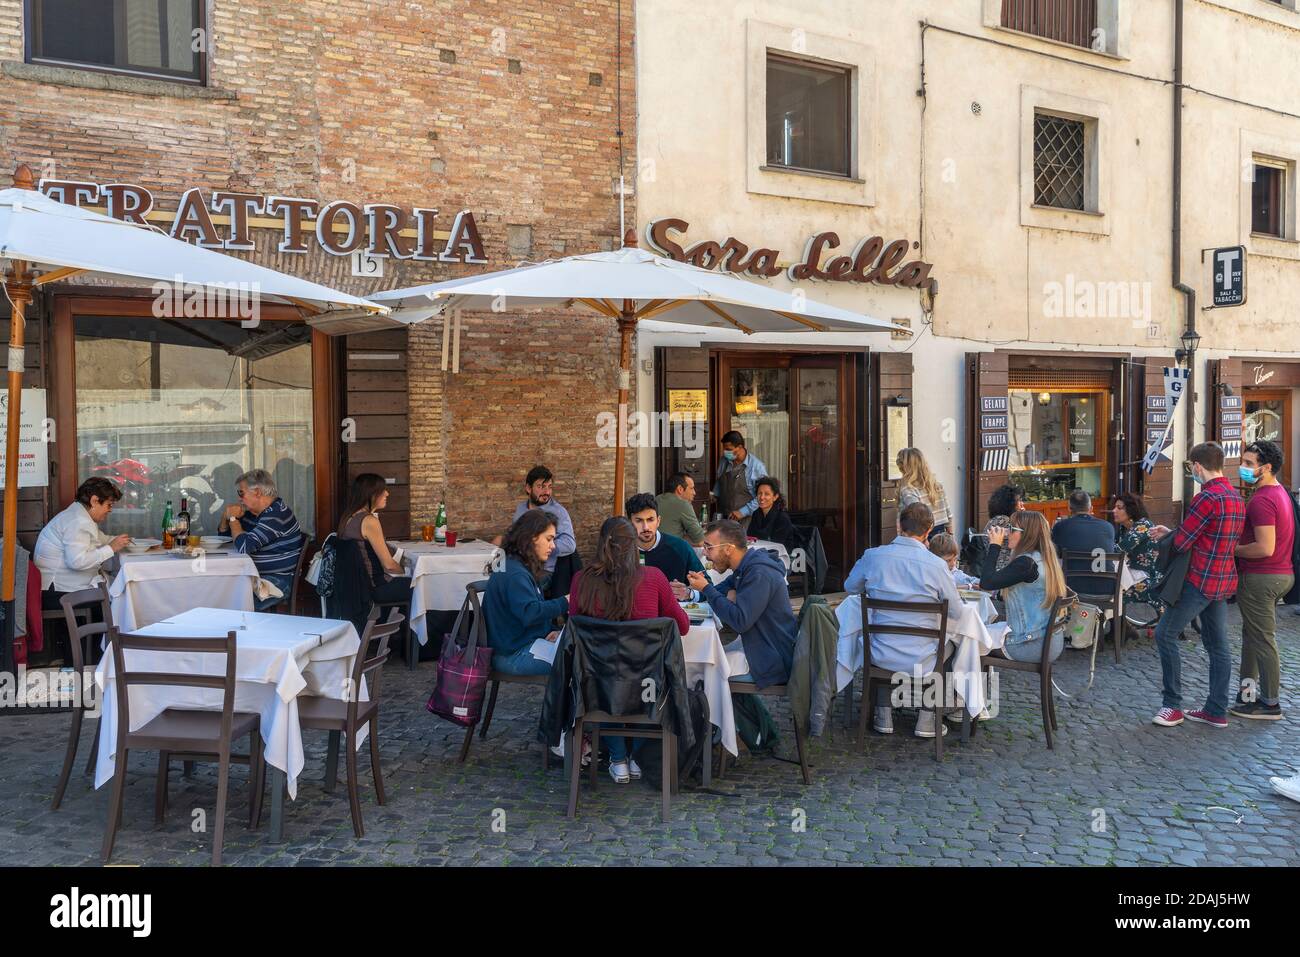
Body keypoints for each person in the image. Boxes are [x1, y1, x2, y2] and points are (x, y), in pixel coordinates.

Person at [569, 517, 691, 784]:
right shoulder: (654, 578)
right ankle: (635, 756)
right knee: (637, 676)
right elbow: (681, 626)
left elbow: (573, 626)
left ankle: (618, 759)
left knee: (614, 680)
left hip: (596, 685)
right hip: (647, 685)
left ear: (602, 544)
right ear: (634, 546)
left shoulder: (581, 581)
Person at [1147, 442, 1245, 729]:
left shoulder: (1206, 498)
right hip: (1223, 579)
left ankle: (1172, 705)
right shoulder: (1235, 497)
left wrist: (1168, 536)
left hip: (1199, 579)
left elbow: (1182, 542)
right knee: (1218, 645)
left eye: (1192, 468)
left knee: (1165, 634)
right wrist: (1175, 531)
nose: (1193, 472)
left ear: (1197, 466)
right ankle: (1216, 710)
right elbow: (1206, 534)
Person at [843, 503, 963, 737]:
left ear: (899, 526)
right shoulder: (937, 566)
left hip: (880, 653)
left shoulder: (873, 556)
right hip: (923, 656)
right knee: (952, 645)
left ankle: (883, 713)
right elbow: (956, 612)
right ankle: (927, 718)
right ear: (928, 531)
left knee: (883, 640)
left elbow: (850, 587)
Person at [686, 519, 795, 687]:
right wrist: (690, 592)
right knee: (700, 662)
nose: (705, 554)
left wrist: (707, 588)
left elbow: (739, 621)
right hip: (755, 648)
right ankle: (750, 715)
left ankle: (712, 714)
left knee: (699, 671)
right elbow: (721, 589)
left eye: (709, 547)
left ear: (729, 549)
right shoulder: (746, 566)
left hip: (769, 659)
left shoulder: (759, 573)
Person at [33, 478, 131, 661]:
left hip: (60, 586)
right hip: (56, 591)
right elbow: (77, 562)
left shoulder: (79, 515)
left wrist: (120, 542)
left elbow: (100, 540)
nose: (110, 510)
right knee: (110, 601)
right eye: (109, 505)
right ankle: (92, 661)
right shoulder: (77, 521)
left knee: (108, 595)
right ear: (94, 501)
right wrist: (112, 548)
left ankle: (95, 659)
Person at [1230, 440, 1292, 721]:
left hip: (1262, 576)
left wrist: (1233, 550)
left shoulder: (1263, 500)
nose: (1242, 468)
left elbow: (1264, 547)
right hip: (1277, 574)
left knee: (1262, 639)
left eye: (1248, 464)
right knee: (1252, 637)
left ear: (1266, 468)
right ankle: (1247, 695)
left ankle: (1269, 703)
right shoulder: (1279, 493)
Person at [482, 509, 569, 676]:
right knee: (579, 663)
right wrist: (565, 601)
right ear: (531, 538)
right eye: (549, 539)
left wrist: (550, 631)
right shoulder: (516, 573)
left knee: (578, 657)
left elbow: (526, 611)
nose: (553, 546)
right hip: (511, 655)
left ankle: (566, 702)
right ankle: (566, 703)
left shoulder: (516, 565)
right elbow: (530, 612)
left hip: (518, 646)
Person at [980, 510, 1067, 663]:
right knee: (981, 631)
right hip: (1049, 640)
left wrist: (995, 545)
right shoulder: (1042, 558)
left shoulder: (1026, 563)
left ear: (1027, 535)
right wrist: (994, 593)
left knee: (967, 640)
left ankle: (963, 686)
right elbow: (1024, 593)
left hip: (1029, 645)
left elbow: (987, 582)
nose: (1007, 533)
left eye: (1012, 529)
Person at [220, 469, 305, 611]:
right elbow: (229, 537)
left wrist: (233, 519)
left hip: (275, 581)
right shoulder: (254, 514)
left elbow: (244, 546)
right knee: (219, 592)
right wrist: (226, 516)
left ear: (258, 492)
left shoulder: (277, 515)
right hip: (254, 576)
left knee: (229, 602)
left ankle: (239, 632)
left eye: (241, 493)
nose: (239, 498)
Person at [338, 473, 412, 609]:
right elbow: (389, 565)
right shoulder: (369, 521)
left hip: (355, 587)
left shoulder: (347, 517)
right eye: (382, 491)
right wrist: (409, 572)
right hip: (374, 587)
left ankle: (403, 627)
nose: (387, 494)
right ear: (371, 495)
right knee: (420, 587)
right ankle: (428, 629)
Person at [625, 493, 704, 598]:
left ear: (658, 521)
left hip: (672, 613)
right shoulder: (620, 551)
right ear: (629, 523)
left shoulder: (680, 548)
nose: (646, 527)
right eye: (639, 521)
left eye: (650, 520)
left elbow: (708, 587)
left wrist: (689, 593)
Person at [506, 465, 576, 579]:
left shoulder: (559, 512)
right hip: (520, 565)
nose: (547, 492)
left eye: (549, 487)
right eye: (541, 487)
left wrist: (540, 545)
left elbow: (569, 544)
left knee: (514, 583)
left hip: (544, 570)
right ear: (528, 488)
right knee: (497, 576)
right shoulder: (521, 509)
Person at [1050, 489, 1117, 593]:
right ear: (1091, 508)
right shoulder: (1108, 527)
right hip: (1106, 588)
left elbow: (1055, 554)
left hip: (1071, 589)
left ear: (1069, 508)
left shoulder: (1060, 527)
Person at [1111, 492, 1166, 610]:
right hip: (1135, 572)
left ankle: (1118, 626)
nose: (1114, 510)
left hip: (1150, 577)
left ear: (1131, 510)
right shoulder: (1124, 527)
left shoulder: (1143, 526)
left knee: (1113, 592)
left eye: (1119, 508)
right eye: (1114, 507)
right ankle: (1120, 625)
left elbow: (1118, 550)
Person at [711, 430, 767, 527]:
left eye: (729, 449)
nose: (725, 453)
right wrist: (714, 495)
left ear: (740, 447)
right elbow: (720, 481)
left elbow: (763, 497)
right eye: (724, 449)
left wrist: (743, 512)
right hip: (724, 517)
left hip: (747, 520)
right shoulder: (723, 461)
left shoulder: (757, 467)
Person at [896, 448, 951, 539]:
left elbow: (917, 515)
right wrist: (950, 536)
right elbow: (949, 514)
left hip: (920, 535)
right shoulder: (936, 485)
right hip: (941, 533)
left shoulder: (908, 490)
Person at [747, 476, 798, 551]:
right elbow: (750, 538)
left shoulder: (782, 518)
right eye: (759, 493)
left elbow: (776, 546)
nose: (762, 497)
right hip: (759, 553)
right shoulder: (756, 514)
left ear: (775, 497)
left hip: (780, 556)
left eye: (766, 494)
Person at [655, 472, 705, 545]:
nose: (694, 493)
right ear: (680, 489)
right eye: (691, 488)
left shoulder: (656, 499)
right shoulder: (683, 505)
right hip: (671, 551)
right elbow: (700, 541)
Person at [984, 483, 1026, 570]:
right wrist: (1023, 517)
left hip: (994, 567)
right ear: (1010, 503)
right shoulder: (1004, 521)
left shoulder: (996, 519)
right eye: (1019, 500)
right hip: (1003, 569)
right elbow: (1025, 539)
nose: (1022, 503)